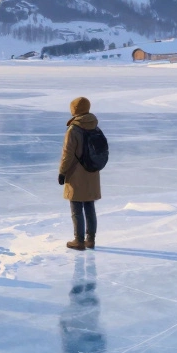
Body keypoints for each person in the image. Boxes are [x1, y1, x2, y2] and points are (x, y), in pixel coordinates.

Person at [58, 96, 100, 250]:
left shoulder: (74, 129)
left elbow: (67, 154)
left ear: (74, 109)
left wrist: (62, 172)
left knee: (76, 207)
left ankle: (79, 241)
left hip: (76, 173)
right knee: (89, 206)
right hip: (92, 172)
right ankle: (91, 240)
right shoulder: (95, 126)